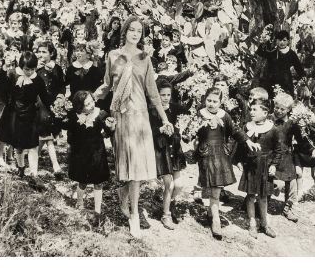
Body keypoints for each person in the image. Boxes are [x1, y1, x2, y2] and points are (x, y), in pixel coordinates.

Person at [93, 15, 174, 238]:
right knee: (127, 163)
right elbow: (107, 85)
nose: (135, 33)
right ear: (125, 31)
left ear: (142, 35)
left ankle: (134, 214)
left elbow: (152, 91)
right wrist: (88, 99)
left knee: (138, 166)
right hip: (120, 115)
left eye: (139, 31)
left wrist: (164, 118)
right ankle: (124, 193)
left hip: (140, 116)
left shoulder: (145, 58)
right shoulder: (113, 55)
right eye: (132, 29)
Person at [195, 87, 260, 239]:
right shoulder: (200, 114)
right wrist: (197, 130)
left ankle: (213, 216)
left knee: (217, 187)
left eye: (215, 101)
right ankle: (214, 216)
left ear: (220, 102)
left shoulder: (225, 116)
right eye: (209, 100)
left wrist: (247, 141)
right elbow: (191, 132)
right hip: (205, 154)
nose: (211, 104)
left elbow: (235, 131)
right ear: (205, 99)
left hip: (220, 155)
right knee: (213, 187)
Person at [0, 51, 52, 191]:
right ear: (21, 66)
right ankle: (21, 167)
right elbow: (1, 86)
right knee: (19, 145)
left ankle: (34, 174)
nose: (30, 72)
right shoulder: (12, 75)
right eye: (27, 69)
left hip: (31, 115)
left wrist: (52, 108)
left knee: (33, 145)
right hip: (14, 114)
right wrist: (4, 68)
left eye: (33, 69)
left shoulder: (37, 79)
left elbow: (44, 97)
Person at [61, 91, 115, 225]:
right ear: (79, 107)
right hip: (81, 153)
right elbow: (68, 128)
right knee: (82, 180)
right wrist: (59, 115)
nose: (91, 105)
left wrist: (110, 126)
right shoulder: (74, 116)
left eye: (92, 101)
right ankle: (80, 203)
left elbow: (108, 132)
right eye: (87, 104)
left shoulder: (100, 114)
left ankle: (97, 210)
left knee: (98, 182)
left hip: (97, 152)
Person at [237, 99, 284, 239]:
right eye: (250, 109)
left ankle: (264, 224)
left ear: (265, 113)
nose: (251, 112)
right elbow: (240, 145)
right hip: (251, 165)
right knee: (251, 195)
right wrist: (239, 160)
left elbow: (278, 150)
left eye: (255, 110)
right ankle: (252, 223)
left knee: (263, 197)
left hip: (265, 167)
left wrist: (274, 165)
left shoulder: (273, 129)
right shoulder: (247, 127)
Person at [148, 79, 189, 230]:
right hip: (161, 149)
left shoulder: (174, 108)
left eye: (168, 95)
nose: (165, 97)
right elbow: (149, 131)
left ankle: (168, 203)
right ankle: (166, 215)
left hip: (174, 148)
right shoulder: (152, 110)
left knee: (179, 184)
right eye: (162, 95)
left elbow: (188, 114)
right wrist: (160, 130)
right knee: (169, 184)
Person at [35, 41, 65, 180]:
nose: (41, 55)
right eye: (39, 52)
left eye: (44, 52)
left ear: (51, 53)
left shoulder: (57, 68)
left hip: (51, 104)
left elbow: (61, 86)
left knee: (45, 135)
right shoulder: (34, 68)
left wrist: (60, 98)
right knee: (47, 136)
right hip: (39, 104)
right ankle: (55, 165)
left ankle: (34, 158)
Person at [272, 92, 301, 222]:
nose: (278, 111)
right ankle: (261, 202)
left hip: (287, 155)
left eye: (282, 109)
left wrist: (301, 126)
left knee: (292, 182)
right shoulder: (269, 119)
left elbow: (300, 139)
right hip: (272, 154)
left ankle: (287, 208)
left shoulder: (292, 123)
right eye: (276, 107)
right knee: (270, 179)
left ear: (288, 109)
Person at [256, 29, 305, 97]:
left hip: (286, 83)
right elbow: (260, 53)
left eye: (284, 40)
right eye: (279, 40)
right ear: (276, 41)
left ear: (288, 41)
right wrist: (263, 41)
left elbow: (299, 68)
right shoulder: (273, 53)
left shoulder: (291, 54)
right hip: (272, 84)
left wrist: (303, 78)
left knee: (286, 104)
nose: (281, 42)